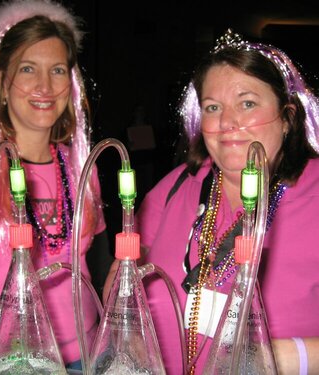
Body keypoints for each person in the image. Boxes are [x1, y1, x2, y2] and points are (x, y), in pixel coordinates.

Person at [129, 29, 319, 374]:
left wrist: (280, 359)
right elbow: (127, 279)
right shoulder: (177, 186)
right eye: (212, 107)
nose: (227, 123)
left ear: (288, 117)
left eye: (247, 103)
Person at [0, 0, 111, 371]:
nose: (44, 86)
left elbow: (97, 264)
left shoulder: (82, 164)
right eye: (27, 69)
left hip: (84, 354)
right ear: (1, 82)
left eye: (56, 70)